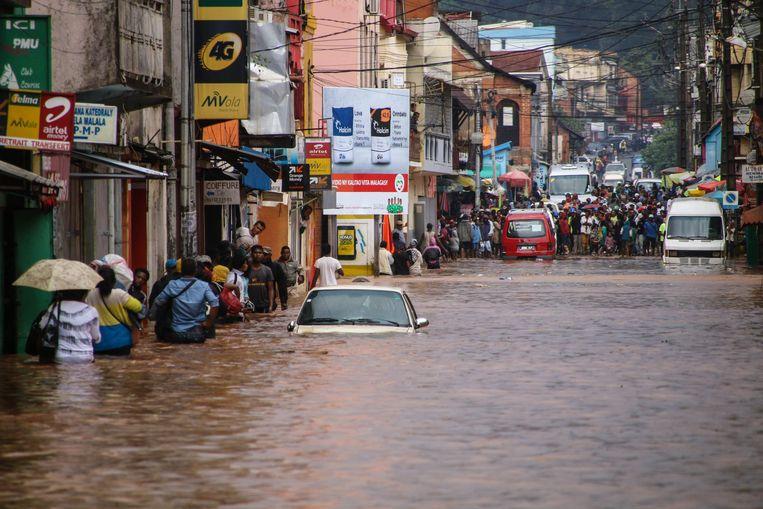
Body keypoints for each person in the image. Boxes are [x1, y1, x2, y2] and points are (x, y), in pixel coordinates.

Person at [150, 258, 219, 343]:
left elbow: (158, 302)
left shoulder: (173, 285)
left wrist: (151, 317)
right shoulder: (204, 286)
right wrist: (208, 322)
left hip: (177, 333)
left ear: (181, 270)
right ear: (195, 271)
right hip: (198, 333)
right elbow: (215, 303)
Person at [87, 266, 144, 356]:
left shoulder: (89, 295)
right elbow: (139, 307)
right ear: (114, 281)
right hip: (121, 342)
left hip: (98, 344)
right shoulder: (120, 294)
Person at [38, 290, 101, 364]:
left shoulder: (55, 307)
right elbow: (96, 337)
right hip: (86, 356)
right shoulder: (91, 310)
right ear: (84, 294)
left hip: (61, 356)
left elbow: (42, 326)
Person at [248, 245, 275, 313]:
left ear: (263, 255)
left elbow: (271, 289)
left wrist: (271, 306)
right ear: (251, 254)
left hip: (264, 305)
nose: (258, 255)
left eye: (260, 253)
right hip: (249, 305)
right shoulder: (247, 270)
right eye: (255, 253)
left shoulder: (267, 270)